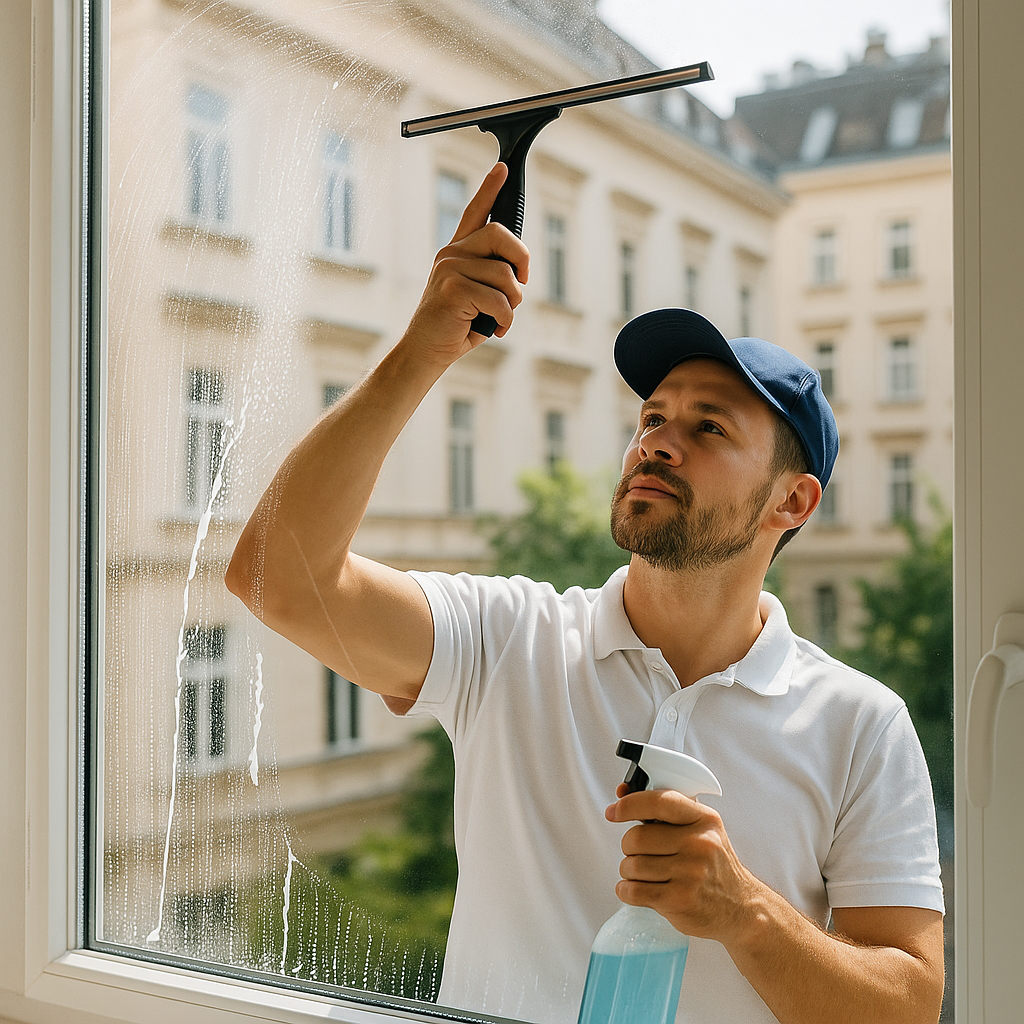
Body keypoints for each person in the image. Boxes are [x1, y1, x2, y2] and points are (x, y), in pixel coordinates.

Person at [225, 164, 945, 1024]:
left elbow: (905, 1005)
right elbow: (277, 577)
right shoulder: (507, 642)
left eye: (707, 426)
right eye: (652, 417)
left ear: (792, 502)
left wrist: (743, 912)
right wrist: (424, 346)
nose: (659, 442)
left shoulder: (859, 724)